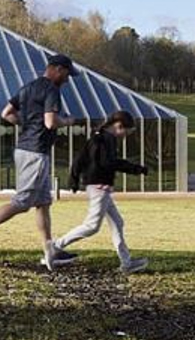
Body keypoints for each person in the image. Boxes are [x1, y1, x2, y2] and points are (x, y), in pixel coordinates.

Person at [0, 53, 83, 271]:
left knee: (43, 203)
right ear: (57, 69)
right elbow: (50, 122)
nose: (67, 79)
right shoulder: (51, 90)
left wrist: (27, 125)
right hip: (35, 152)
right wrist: (68, 121)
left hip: (28, 149)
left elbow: (6, 113)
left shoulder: (28, 88)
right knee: (23, 202)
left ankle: (50, 251)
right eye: (67, 74)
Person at [56, 110, 150, 273]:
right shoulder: (105, 139)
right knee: (92, 226)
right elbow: (109, 163)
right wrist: (137, 169)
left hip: (99, 185)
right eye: (126, 132)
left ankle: (126, 263)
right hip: (99, 187)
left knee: (117, 222)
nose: (125, 136)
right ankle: (55, 246)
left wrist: (74, 179)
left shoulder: (98, 136)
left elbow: (80, 159)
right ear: (119, 126)